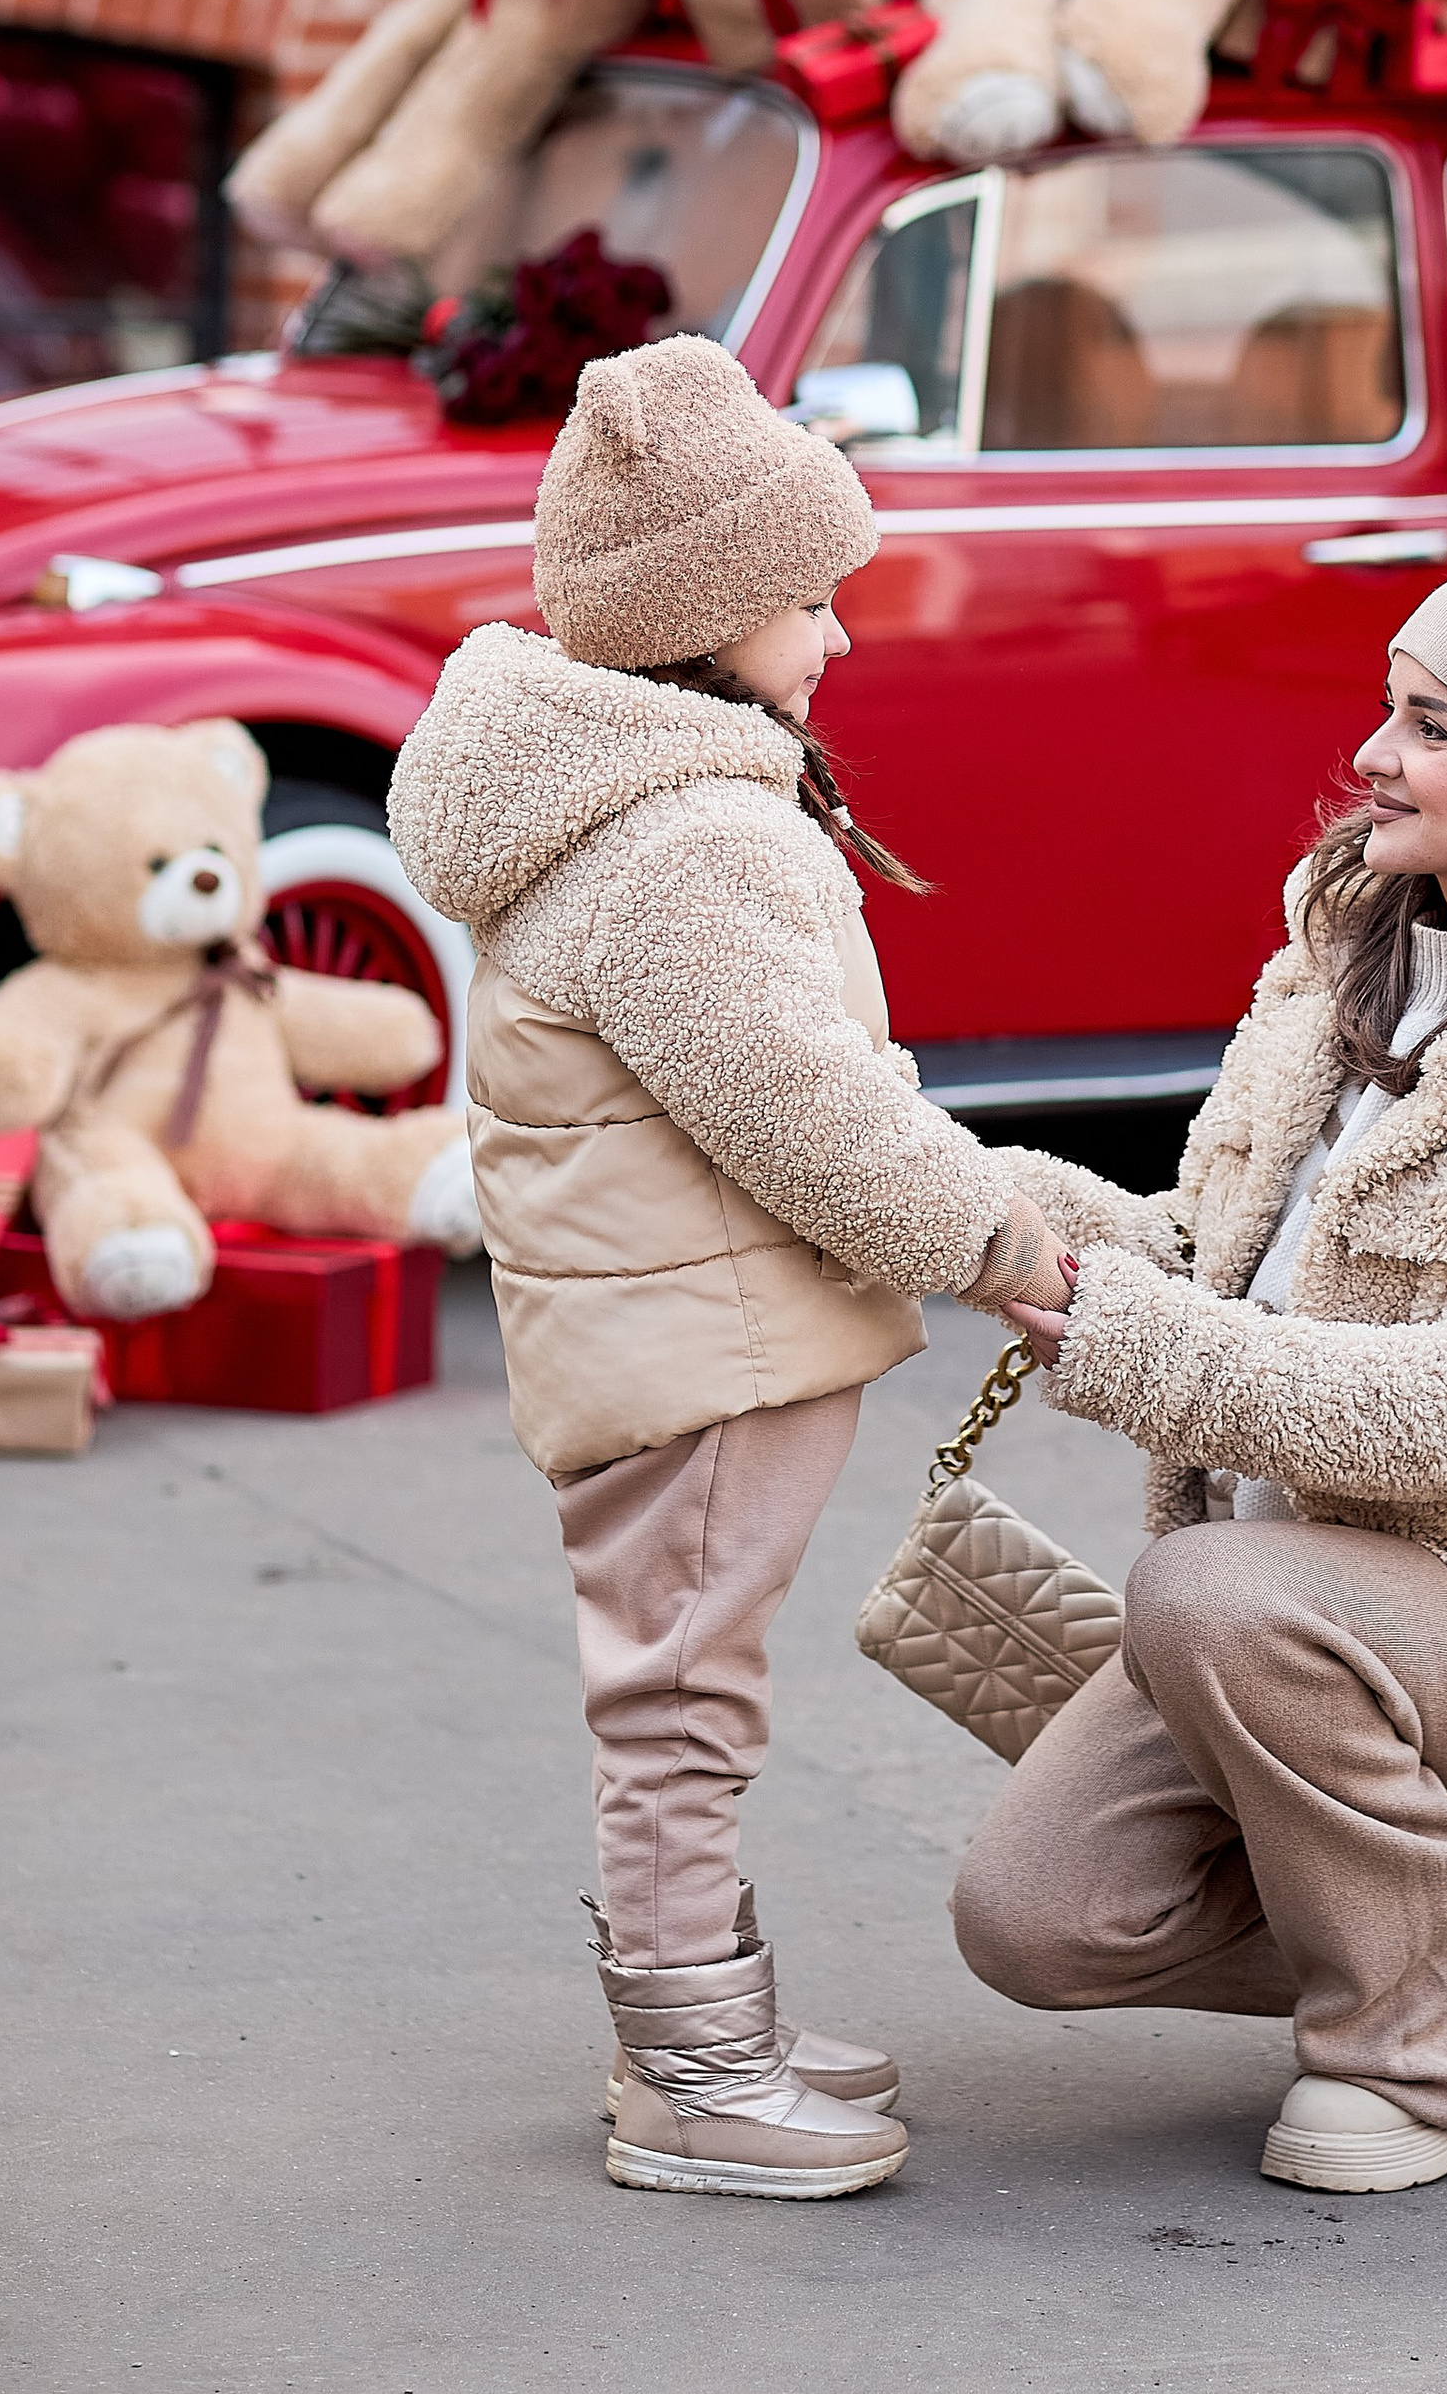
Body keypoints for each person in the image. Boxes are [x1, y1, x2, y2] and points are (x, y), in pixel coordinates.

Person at [951, 544, 1447, 2197]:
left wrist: (1129, 1344)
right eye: (1389, 710)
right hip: (1277, 1591)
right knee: (1032, 1922)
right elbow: (1209, 1250)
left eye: (1433, 727)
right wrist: (983, 1206)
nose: (1375, 756)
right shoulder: (1335, 980)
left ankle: (1435, 2038)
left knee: (1201, 1599)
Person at [389, 335, 1070, 2203]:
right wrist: (999, 1240)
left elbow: (803, 1100)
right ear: (702, 615)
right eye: (805, 597)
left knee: (690, 1688)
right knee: (683, 1704)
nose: (837, 636)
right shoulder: (681, 841)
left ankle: (707, 2024)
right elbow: (811, 1118)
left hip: (686, 1324)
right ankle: (690, 2071)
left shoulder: (637, 801)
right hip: (698, 1350)